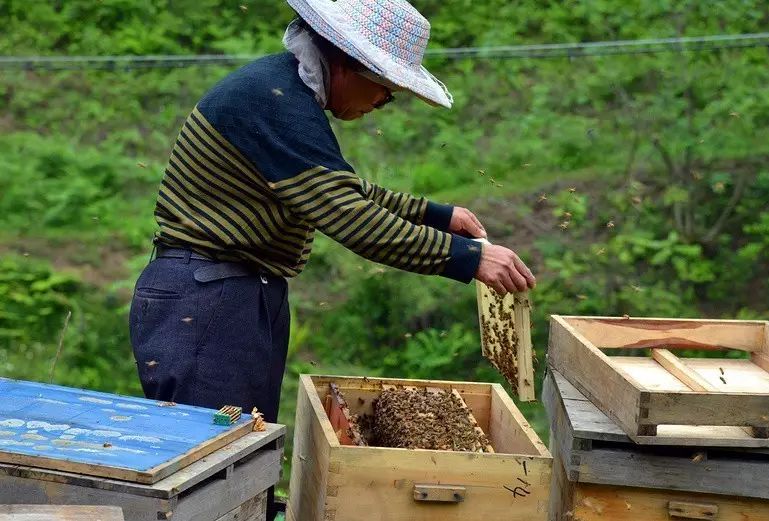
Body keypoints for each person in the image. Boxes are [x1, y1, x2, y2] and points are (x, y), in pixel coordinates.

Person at [129, 2, 534, 514]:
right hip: (208, 303)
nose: (386, 100)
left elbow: (338, 186)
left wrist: (435, 214)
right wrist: (467, 258)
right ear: (346, 62)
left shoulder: (284, 92)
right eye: (385, 86)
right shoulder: (275, 103)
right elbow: (351, 217)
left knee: (240, 466)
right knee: (212, 482)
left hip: (225, 294)